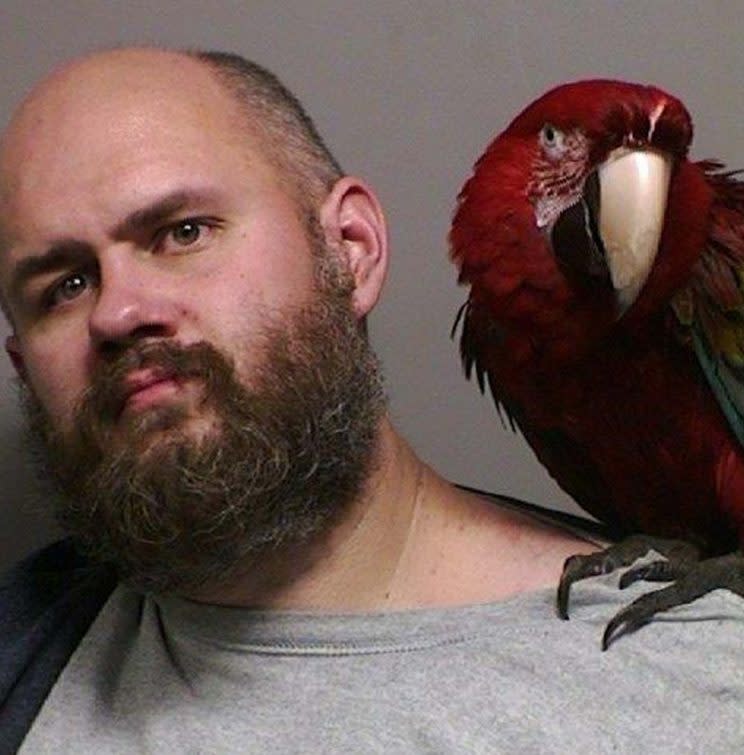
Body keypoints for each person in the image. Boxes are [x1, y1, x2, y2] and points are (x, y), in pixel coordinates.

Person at [0, 46, 741, 753]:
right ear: (21, 364)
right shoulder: (25, 649)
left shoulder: (702, 677)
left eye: (183, 231)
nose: (119, 314)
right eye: (64, 285)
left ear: (350, 249)